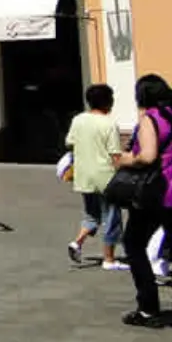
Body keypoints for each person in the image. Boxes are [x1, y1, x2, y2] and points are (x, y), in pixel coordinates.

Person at [116, 74, 172, 328]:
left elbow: (147, 156)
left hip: (159, 192)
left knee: (134, 244)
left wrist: (126, 159)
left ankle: (148, 308)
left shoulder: (151, 118)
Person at [65, 84, 126, 270]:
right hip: (106, 177)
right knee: (112, 217)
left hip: (84, 176)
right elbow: (115, 154)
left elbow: (69, 142)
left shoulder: (78, 120)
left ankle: (77, 243)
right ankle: (109, 259)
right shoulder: (109, 123)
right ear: (108, 101)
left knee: (92, 214)